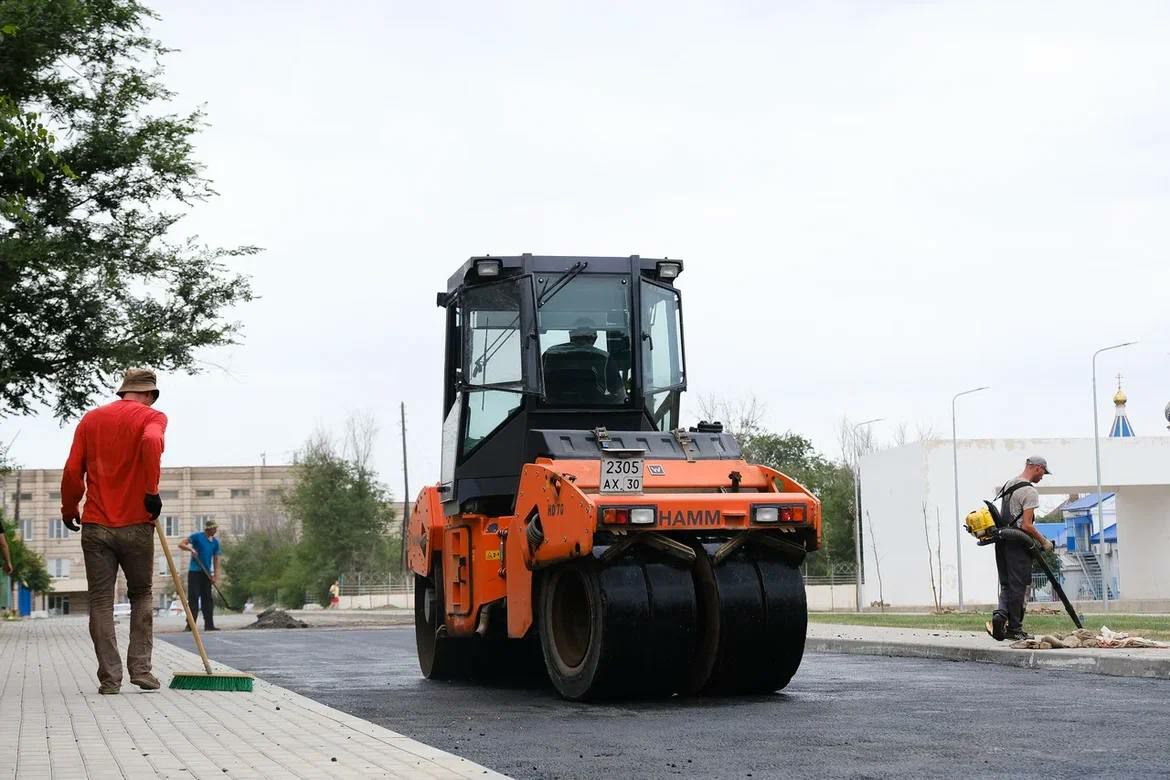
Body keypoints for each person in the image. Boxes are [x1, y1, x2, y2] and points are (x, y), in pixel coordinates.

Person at [61, 368, 167, 694]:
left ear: (124, 391)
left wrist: (69, 508)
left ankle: (110, 679)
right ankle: (141, 670)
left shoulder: (91, 420)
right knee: (141, 594)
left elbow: (72, 468)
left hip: (96, 524)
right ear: (149, 394)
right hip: (137, 524)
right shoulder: (154, 417)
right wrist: (151, 491)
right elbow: (151, 440)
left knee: (101, 601)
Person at [987, 455, 1056, 642]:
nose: (1042, 477)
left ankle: (1000, 615)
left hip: (1002, 541)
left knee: (1007, 583)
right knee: (1019, 586)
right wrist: (1044, 542)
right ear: (1037, 468)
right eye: (1043, 472)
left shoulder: (1009, 484)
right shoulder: (1029, 491)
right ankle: (1015, 629)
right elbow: (1026, 525)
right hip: (1018, 544)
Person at [542, 318, 625, 402]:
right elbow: (620, 396)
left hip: (550, 410)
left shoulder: (550, 354)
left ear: (571, 335)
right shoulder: (604, 358)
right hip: (597, 411)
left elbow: (536, 388)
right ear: (594, 337)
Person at [178, 518, 221, 631]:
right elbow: (181, 544)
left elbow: (216, 560)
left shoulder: (215, 542)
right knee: (193, 598)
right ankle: (190, 625)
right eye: (214, 528)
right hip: (195, 572)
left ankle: (209, 625)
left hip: (206, 573)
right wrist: (190, 549)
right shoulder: (197, 537)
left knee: (207, 599)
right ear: (209, 529)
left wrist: (214, 576)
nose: (215, 530)